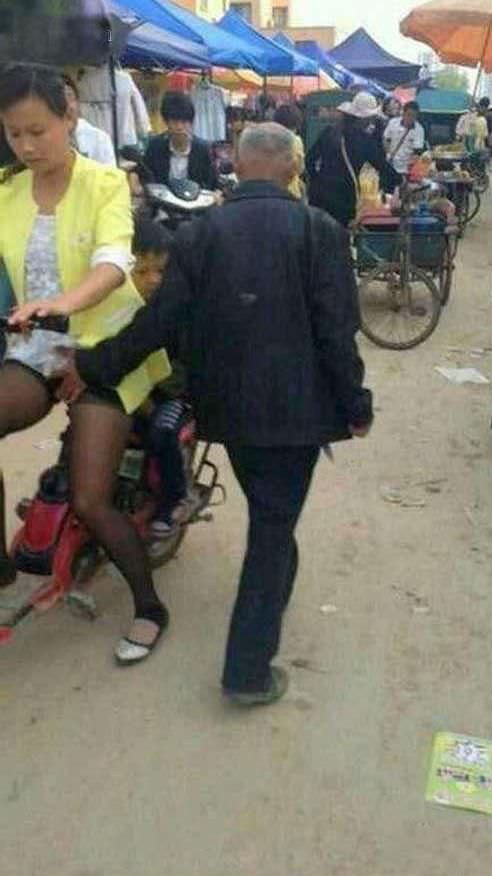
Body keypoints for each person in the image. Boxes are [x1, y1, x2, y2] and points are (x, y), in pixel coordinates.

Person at [62, 123, 374, 706]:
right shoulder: (321, 230)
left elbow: (159, 323)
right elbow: (338, 334)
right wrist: (357, 405)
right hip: (297, 414)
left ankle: (274, 587)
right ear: (291, 170)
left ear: (240, 166)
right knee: (272, 528)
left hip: (227, 412)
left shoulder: (201, 233)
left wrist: (94, 364)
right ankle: (247, 674)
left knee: (271, 513)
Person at [0, 63, 170, 665]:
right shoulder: (6, 190)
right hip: (36, 349)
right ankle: (3, 571)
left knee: (91, 500)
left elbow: (114, 264)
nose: (26, 146)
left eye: (37, 131)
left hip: (105, 349)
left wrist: (62, 305)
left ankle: (149, 606)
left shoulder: (104, 183)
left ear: (69, 117)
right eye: (13, 133)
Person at [130, 216, 191, 538]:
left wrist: (151, 400)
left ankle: (174, 498)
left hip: (171, 394)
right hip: (128, 391)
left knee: (162, 431)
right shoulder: (111, 306)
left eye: (161, 271)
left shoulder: (174, 310)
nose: (153, 280)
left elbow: (180, 368)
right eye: (141, 271)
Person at [306, 91, 400, 227]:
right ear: (364, 118)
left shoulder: (329, 132)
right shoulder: (364, 141)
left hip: (319, 197)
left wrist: (317, 180)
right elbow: (383, 167)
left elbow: (309, 160)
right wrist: (401, 181)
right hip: (343, 200)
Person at [143, 91, 217, 190]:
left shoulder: (203, 149)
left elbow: (212, 184)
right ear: (166, 122)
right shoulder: (155, 146)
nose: (179, 127)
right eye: (174, 122)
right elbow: (145, 176)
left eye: (184, 122)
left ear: (191, 123)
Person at [62, 74, 116, 167]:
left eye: (70, 96)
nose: (67, 106)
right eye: (59, 99)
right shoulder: (41, 143)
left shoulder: (99, 139)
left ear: (78, 103)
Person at [384, 100, 425, 176]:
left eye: (414, 116)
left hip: (405, 170)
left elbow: (417, 152)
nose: (411, 118)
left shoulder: (419, 130)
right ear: (403, 113)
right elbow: (386, 140)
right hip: (390, 165)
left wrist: (411, 165)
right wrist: (388, 153)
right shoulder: (393, 123)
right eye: (409, 115)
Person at [273, 104, 306, 200]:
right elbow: (300, 168)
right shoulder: (295, 140)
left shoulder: (269, 139)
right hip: (291, 190)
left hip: (272, 189)